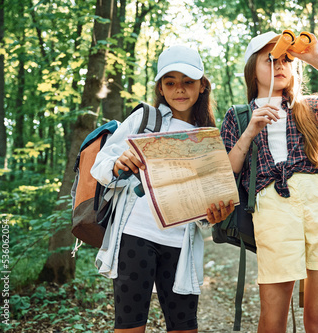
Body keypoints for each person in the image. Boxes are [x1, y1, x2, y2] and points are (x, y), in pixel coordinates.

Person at [220, 31, 318, 332]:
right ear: (252, 68)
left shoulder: (308, 107)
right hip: (273, 206)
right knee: (273, 318)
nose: (280, 65)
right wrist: (250, 130)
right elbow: (226, 172)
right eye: (270, 59)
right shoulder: (237, 116)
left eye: (287, 59)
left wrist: (316, 58)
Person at [91, 45, 234, 333]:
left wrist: (213, 216)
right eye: (171, 82)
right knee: (130, 327)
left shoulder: (207, 136)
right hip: (135, 236)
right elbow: (100, 165)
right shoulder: (144, 120)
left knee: (184, 327)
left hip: (181, 245)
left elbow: (205, 205)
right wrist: (119, 162)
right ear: (160, 87)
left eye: (188, 82)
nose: (179, 90)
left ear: (202, 86)